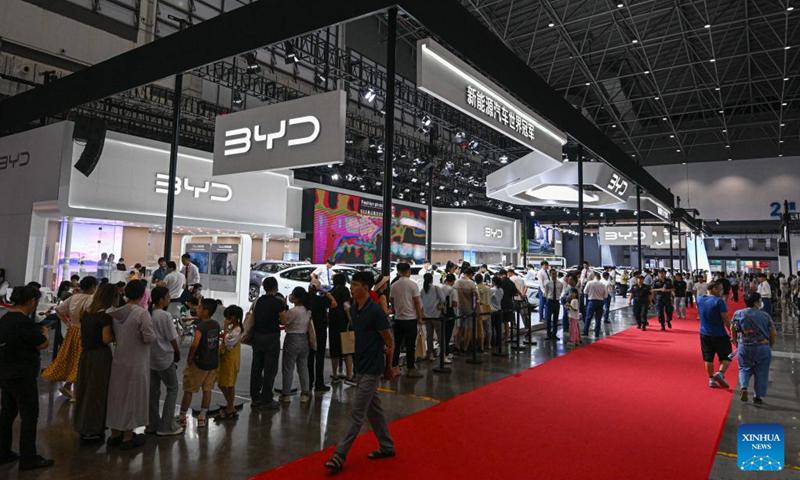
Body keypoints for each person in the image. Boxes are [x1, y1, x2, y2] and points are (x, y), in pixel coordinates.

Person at [324, 272, 395, 473]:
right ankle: (387, 446)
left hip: (373, 368)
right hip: (361, 365)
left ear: (365, 287)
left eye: (355, 285)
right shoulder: (355, 308)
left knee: (357, 413)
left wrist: (388, 367)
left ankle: (339, 455)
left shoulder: (375, 312)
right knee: (374, 410)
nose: (351, 288)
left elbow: (389, 342)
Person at [0, 285, 53, 471]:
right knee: (29, 415)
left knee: (7, 413)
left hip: (6, 372)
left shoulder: (5, 319)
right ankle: (28, 458)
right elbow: (42, 344)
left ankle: (3, 451)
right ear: (31, 301)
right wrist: (45, 334)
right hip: (22, 374)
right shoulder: (24, 323)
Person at [106, 280, 155, 449]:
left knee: (117, 397)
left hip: (118, 359)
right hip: (137, 361)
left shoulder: (115, 312)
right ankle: (128, 437)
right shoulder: (142, 314)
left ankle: (114, 434)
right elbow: (149, 337)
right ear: (143, 295)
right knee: (133, 397)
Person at [73, 283, 117, 443]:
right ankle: (92, 428)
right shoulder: (105, 317)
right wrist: (117, 335)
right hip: (100, 357)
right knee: (97, 393)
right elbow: (106, 338)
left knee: (84, 390)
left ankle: (82, 425)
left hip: (86, 354)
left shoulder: (86, 313)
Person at [43, 275, 98, 401]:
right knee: (81, 360)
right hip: (84, 332)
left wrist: (67, 322)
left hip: (72, 331)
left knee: (71, 359)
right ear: (92, 287)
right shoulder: (91, 299)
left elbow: (58, 309)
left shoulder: (74, 297)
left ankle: (69, 386)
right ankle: (77, 391)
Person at [146, 286, 183, 436]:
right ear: (161, 299)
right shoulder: (165, 316)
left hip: (151, 358)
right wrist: (177, 351)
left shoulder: (148, 314)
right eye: (167, 297)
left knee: (153, 392)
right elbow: (172, 338)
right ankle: (166, 425)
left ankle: (152, 424)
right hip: (164, 358)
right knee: (173, 388)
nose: (169, 299)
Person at [179, 298, 220, 429]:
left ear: (206, 311)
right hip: (213, 363)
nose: (197, 309)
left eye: (200, 307)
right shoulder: (216, 324)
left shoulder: (201, 327)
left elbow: (195, 343)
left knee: (188, 390)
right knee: (207, 390)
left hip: (199, 364)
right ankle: (202, 416)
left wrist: (190, 358)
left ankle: (182, 416)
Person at [731, 292, 776, 404]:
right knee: (761, 371)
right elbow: (773, 332)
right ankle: (757, 396)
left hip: (745, 346)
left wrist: (735, 340)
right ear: (756, 302)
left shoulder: (738, 313)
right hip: (762, 347)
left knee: (744, 368)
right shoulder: (765, 315)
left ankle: (744, 387)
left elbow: (733, 328)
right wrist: (770, 345)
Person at [249, 277, 285, 410]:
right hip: (271, 337)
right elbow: (284, 321)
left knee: (256, 367)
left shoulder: (258, 301)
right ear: (275, 287)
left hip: (257, 337)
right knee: (270, 368)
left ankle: (255, 397)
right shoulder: (278, 302)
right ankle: (267, 399)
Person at [389, 262, 424, 378]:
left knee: (397, 344)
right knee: (410, 345)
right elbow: (417, 303)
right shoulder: (413, 285)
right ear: (409, 271)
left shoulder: (393, 286)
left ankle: (394, 367)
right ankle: (410, 368)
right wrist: (420, 318)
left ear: (398, 272)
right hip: (410, 319)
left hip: (398, 319)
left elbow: (392, 303)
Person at [697, 281, 733, 389]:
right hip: (719, 334)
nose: (722, 292)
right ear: (714, 289)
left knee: (708, 358)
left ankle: (711, 379)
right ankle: (720, 373)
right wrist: (732, 332)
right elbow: (726, 318)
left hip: (704, 334)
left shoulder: (699, 299)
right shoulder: (719, 302)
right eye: (720, 289)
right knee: (727, 356)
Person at [279, 287, 312, 403]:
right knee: (303, 368)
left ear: (297, 298)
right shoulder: (308, 310)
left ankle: (286, 395)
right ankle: (305, 393)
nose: (291, 296)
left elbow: (284, 321)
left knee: (288, 368)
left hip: (292, 339)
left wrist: (283, 307)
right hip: (304, 339)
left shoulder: (293, 311)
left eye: (293, 294)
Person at [307, 282, 336, 392]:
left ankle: (308, 382)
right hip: (320, 330)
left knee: (309, 357)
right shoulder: (321, 300)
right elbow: (334, 303)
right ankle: (319, 383)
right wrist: (326, 292)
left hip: (309, 330)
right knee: (319, 357)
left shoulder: (306, 299)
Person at [218, 305, 244, 419]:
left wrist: (224, 330)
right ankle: (230, 406)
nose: (227, 319)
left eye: (229, 317)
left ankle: (230, 407)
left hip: (231, 360)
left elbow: (229, 343)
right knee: (221, 383)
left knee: (229, 384)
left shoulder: (238, 329)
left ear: (235, 317)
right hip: (224, 359)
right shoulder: (232, 327)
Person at [328, 273, 354, 384]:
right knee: (347, 349)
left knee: (334, 349)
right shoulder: (345, 290)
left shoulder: (331, 291)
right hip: (344, 322)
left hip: (333, 322)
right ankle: (349, 376)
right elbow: (346, 305)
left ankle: (335, 375)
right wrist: (351, 319)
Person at [420, 273, 444, 360]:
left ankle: (430, 354)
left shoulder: (423, 290)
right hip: (436, 315)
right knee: (440, 335)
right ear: (432, 279)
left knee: (429, 336)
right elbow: (443, 299)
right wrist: (439, 306)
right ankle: (442, 355)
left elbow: (421, 303)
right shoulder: (436, 288)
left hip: (427, 316)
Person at [453, 267, 478, 352]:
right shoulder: (471, 283)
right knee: (469, 328)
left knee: (459, 328)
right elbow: (476, 297)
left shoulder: (457, 282)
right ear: (470, 274)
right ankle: (465, 347)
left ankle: (457, 345)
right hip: (469, 309)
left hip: (459, 308)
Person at [582, 272, 607, 337]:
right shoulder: (603, 284)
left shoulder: (589, 283)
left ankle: (585, 332)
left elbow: (585, 292)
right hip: (600, 302)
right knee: (598, 319)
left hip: (592, 301)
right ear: (599, 277)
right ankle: (597, 333)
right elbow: (606, 296)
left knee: (588, 317)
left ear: (594, 277)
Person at [542, 269, 564, 340]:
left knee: (555, 319)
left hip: (557, 302)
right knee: (548, 319)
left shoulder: (560, 283)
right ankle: (548, 335)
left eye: (555, 274)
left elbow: (560, 292)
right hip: (550, 302)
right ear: (550, 275)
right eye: (552, 274)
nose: (554, 275)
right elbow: (545, 293)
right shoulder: (547, 283)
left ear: (557, 274)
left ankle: (554, 334)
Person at [476, 273, 492, 351]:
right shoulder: (488, 288)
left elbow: (477, 300)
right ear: (482, 280)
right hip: (488, 307)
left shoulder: (477, 288)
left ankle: (481, 346)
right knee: (488, 328)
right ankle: (489, 344)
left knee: (481, 329)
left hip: (480, 309)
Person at [489, 276, 504, 354]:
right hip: (499, 310)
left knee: (491, 327)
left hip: (492, 311)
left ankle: (492, 342)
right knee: (498, 328)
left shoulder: (492, 290)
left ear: (493, 282)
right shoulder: (501, 290)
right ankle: (499, 342)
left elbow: (488, 298)